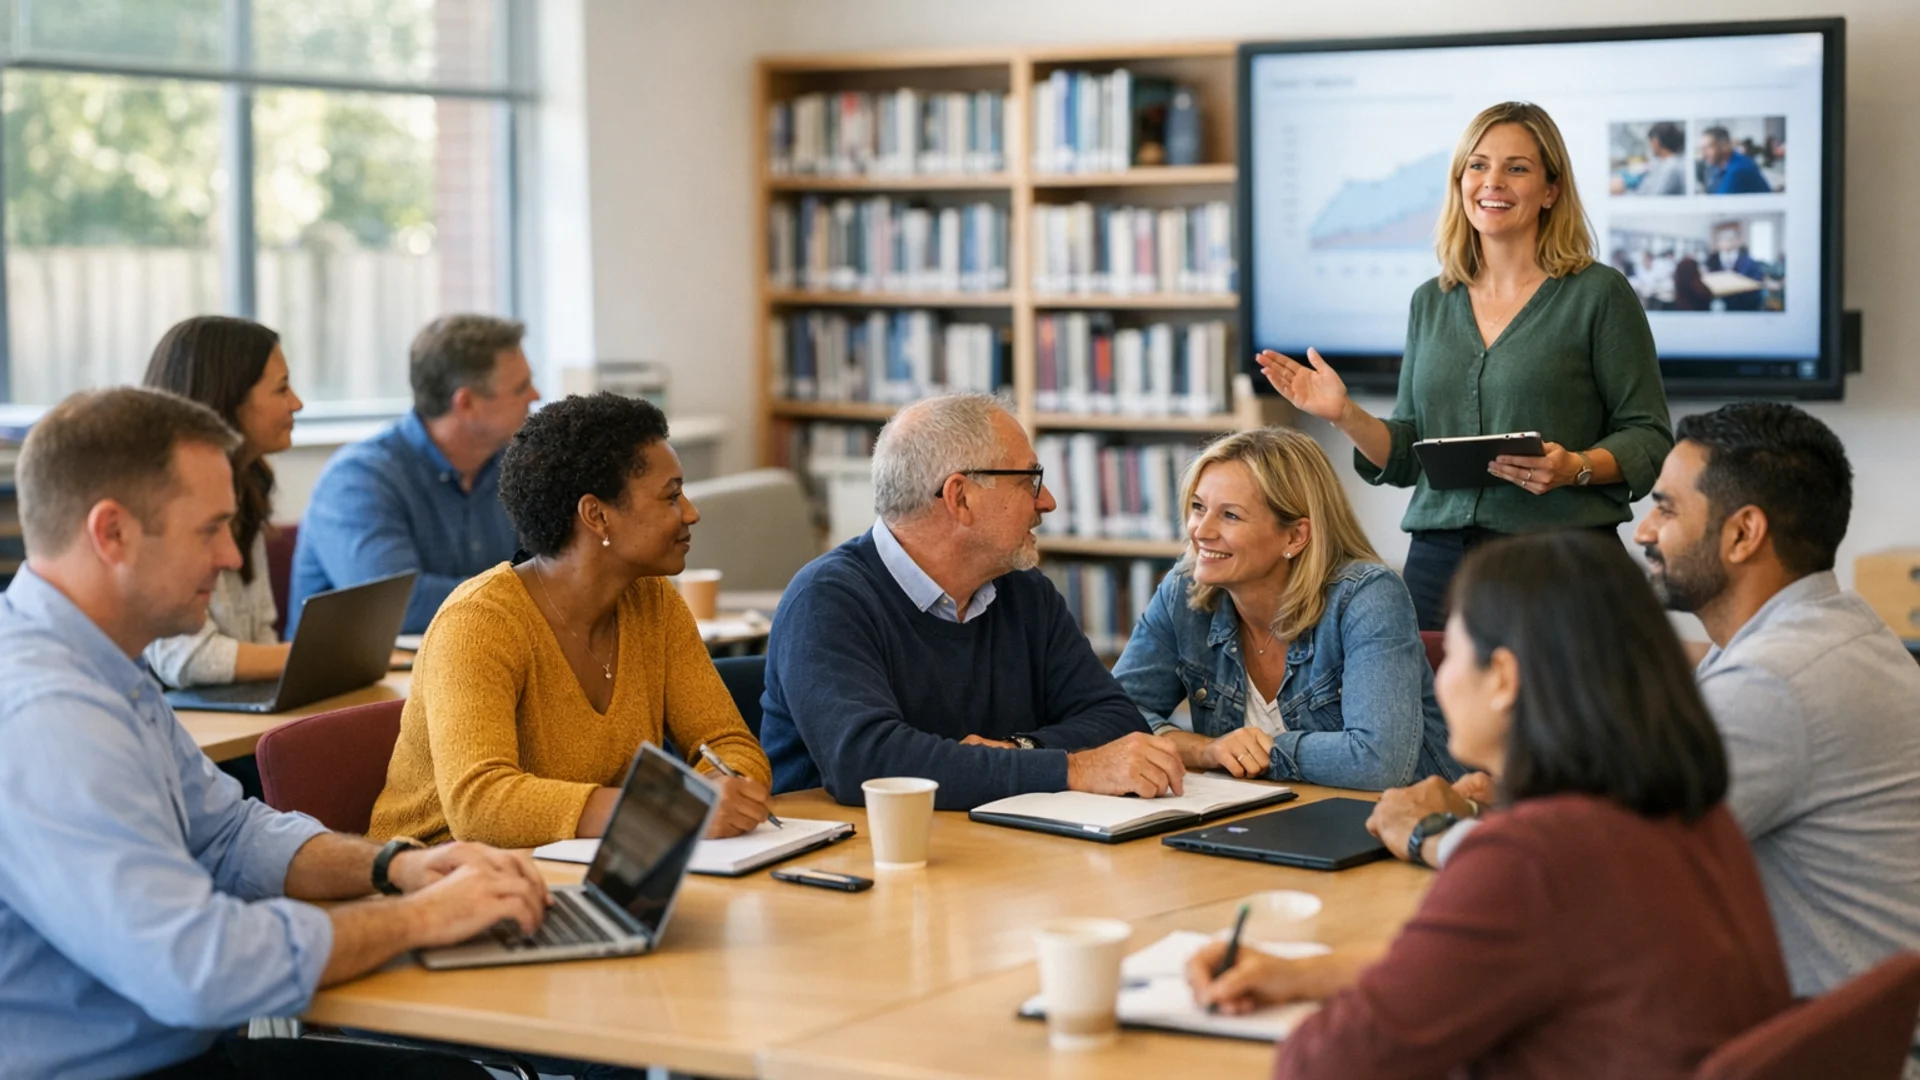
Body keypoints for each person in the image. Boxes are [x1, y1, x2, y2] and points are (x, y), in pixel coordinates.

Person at [0, 387, 550, 1079]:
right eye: (210, 529)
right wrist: (421, 918)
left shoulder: (105, 665)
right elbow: (199, 967)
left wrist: (396, 867)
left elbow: (230, 834)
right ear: (111, 533)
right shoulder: (45, 715)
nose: (232, 556)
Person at [1187, 531, 1790, 1078]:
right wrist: (1300, 975)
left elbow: (1323, 1062)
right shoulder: (1683, 810)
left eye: (1452, 649)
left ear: (1503, 677)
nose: (1439, 677)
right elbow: (1463, 968)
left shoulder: (1531, 858)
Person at [1257, 101, 1672, 629]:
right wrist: (1342, 414)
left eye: (1516, 168)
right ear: (1459, 182)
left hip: (1559, 560)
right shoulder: (1430, 301)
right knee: (1433, 713)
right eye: (1477, 165)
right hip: (1439, 567)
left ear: (1551, 190)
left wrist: (1575, 467)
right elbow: (1408, 455)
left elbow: (1649, 435)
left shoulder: (1599, 294)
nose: (1491, 181)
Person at [367, 393, 772, 849]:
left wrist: (730, 789)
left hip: (577, 866)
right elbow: (480, 806)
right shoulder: (479, 622)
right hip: (437, 877)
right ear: (596, 515)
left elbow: (725, 741)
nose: (691, 513)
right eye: (672, 496)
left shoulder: (652, 600)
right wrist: (671, 808)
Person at [758, 392, 1176, 811]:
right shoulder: (826, 600)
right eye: (1029, 479)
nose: (1046, 501)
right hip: (857, 858)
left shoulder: (1024, 591)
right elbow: (867, 763)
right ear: (960, 497)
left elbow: (1119, 722)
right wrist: (1072, 769)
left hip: (986, 847)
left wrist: (1018, 749)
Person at [1111, 427, 1461, 789]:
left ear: (1295, 536)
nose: (1201, 530)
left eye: (1230, 515)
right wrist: (1207, 751)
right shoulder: (1182, 592)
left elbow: (1378, 761)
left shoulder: (1368, 596)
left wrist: (1261, 752)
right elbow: (1109, 718)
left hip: (1410, 825)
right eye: (1199, 507)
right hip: (1267, 817)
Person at [290, 314, 539, 635]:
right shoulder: (359, 480)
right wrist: (529, 592)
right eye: (521, 387)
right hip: (357, 684)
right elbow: (398, 606)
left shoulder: (514, 466)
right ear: (466, 403)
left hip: (476, 661)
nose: (535, 395)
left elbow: (551, 568)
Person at [141, 315, 302, 689]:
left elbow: (260, 631)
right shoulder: (160, 499)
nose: (297, 403)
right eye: (281, 390)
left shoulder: (249, 483)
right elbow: (185, 658)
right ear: (228, 399)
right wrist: (330, 657)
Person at [1706, 222, 1768, 312]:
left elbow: (1757, 283)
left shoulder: (1749, 262)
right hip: (1718, 306)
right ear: (1718, 243)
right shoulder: (1712, 260)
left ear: (1737, 241)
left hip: (1743, 306)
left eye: (1731, 239)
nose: (1727, 242)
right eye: (1723, 239)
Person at [1700, 124, 1773, 194]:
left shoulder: (1739, 169)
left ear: (1724, 145)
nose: (1703, 154)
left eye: (1708, 148)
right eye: (1702, 148)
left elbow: (1718, 203)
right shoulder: (1717, 168)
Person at [1637, 120, 1688, 195]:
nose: (1649, 145)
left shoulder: (1672, 167)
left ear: (1656, 142)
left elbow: (1655, 196)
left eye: (1650, 141)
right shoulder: (1663, 162)